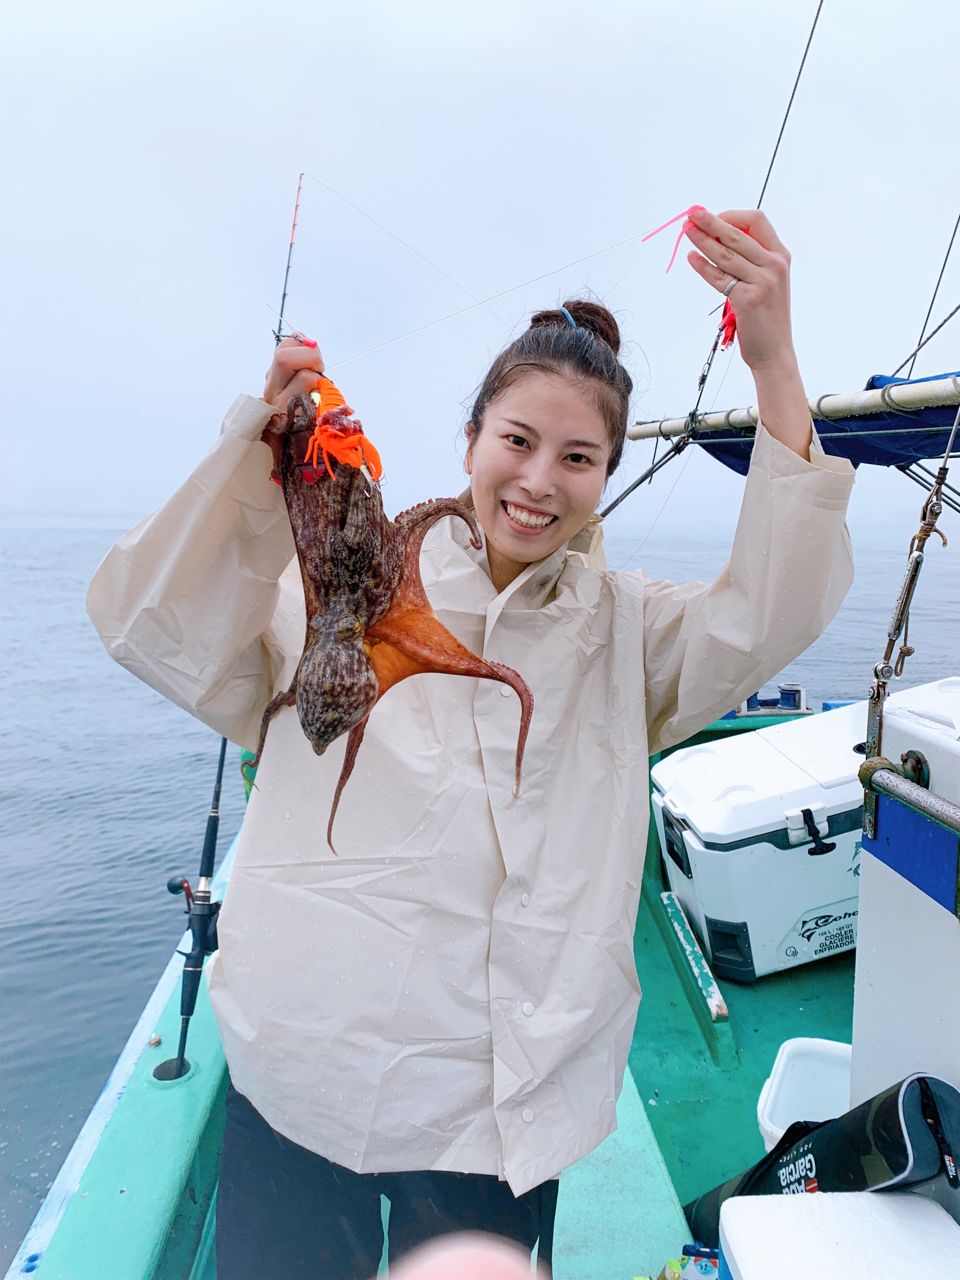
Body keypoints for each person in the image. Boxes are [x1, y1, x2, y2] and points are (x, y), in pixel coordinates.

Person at [86, 206, 855, 1279]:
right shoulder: (339, 591)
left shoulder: (631, 631)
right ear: (471, 439)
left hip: (498, 1108)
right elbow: (163, 627)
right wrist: (251, 464)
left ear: (606, 477)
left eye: (579, 457)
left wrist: (771, 354)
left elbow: (775, 600)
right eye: (519, 441)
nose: (540, 480)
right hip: (308, 1066)